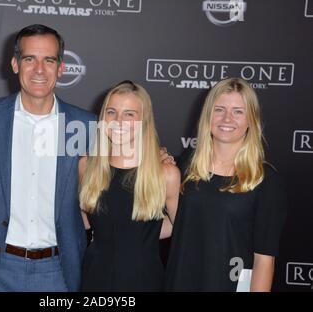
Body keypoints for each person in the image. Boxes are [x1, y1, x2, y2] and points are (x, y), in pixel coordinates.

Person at [0, 24, 96, 292]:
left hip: (59, 271)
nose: (39, 69)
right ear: (15, 64)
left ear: (61, 68)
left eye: (48, 60)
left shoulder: (85, 125)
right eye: (30, 59)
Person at [164, 77, 288, 292]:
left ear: (251, 119)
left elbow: (263, 262)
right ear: (208, 115)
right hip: (181, 282)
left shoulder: (265, 180)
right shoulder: (186, 165)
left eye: (238, 111)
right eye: (219, 109)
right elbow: (176, 224)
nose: (227, 119)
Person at [79, 80, 180, 291]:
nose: (118, 121)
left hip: (143, 280)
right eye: (111, 112)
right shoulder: (88, 166)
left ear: (144, 121)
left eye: (129, 114)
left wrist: (143, 234)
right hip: (95, 278)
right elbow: (85, 221)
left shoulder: (165, 174)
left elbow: (180, 228)